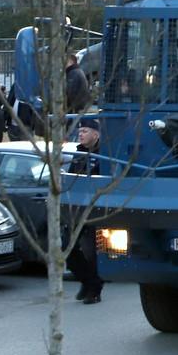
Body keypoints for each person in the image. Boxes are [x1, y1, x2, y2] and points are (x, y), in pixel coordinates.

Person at [67, 117, 104, 304]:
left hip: (98, 208)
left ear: (96, 134)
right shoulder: (79, 153)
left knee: (92, 250)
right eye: (80, 131)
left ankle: (93, 289)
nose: (81, 134)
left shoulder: (104, 155)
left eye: (85, 131)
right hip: (78, 207)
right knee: (68, 246)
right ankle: (87, 280)